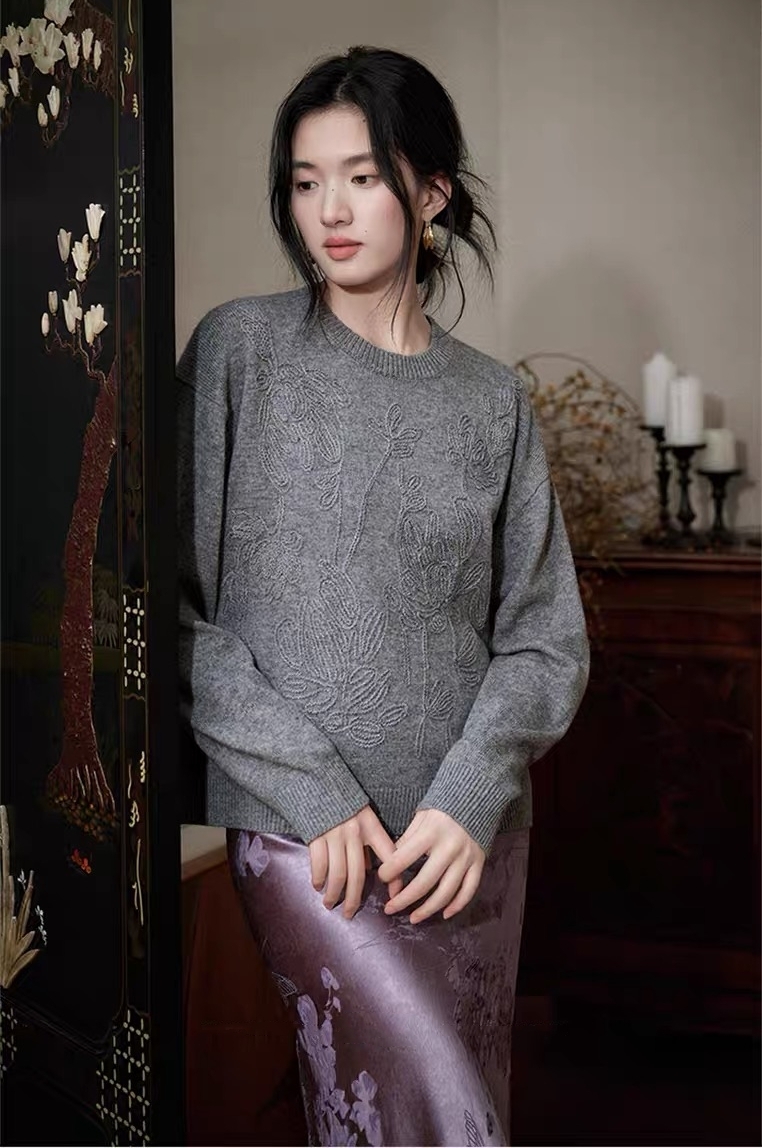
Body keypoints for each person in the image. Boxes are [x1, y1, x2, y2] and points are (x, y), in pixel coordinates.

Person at [177, 45, 589, 1148]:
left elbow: (543, 642)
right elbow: (169, 613)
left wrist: (470, 793)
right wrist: (310, 786)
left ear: (432, 191)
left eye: (361, 176)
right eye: (306, 182)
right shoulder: (237, 354)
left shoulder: (492, 403)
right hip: (307, 839)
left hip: (465, 845)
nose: (330, 210)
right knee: (441, 1115)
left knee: (443, 1110)